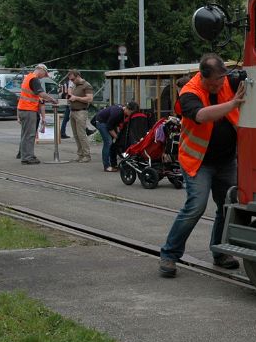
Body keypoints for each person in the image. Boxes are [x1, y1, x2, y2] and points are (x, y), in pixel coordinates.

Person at [158, 54, 245, 278]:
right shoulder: (189, 92)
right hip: (198, 161)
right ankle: (169, 254)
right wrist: (233, 104)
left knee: (227, 206)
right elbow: (201, 115)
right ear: (204, 77)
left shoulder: (227, 81)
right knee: (196, 206)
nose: (219, 85)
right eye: (214, 83)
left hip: (226, 160)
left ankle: (220, 253)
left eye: (221, 80)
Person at [16, 64, 57, 165]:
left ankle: (26, 155)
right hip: (29, 110)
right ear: (41, 70)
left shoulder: (28, 77)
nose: (44, 76)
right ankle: (27, 157)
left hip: (23, 109)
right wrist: (52, 99)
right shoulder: (34, 79)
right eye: (44, 74)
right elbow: (41, 93)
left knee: (25, 134)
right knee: (29, 135)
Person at [94, 101, 139, 172]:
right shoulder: (117, 113)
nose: (131, 115)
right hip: (101, 122)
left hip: (109, 122)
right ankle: (106, 166)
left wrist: (118, 133)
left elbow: (117, 124)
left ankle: (113, 164)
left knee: (114, 143)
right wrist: (116, 136)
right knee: (108, 142)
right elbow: (109, 127)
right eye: (132, 113)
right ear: (128, 109)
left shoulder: (123, 112)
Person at [65, 69, 94, 163]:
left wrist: (76, 98)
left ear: (78, 76)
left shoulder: (86, 85)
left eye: (73, 79)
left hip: (81, 112)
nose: (72, 81)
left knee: (81, 135)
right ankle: (80, 154)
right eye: (70, 80)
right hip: (73, 111)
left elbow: (90, 99)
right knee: (76, 135)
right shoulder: (75, 85)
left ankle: (86, 155)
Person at [59, 74, 73, 139]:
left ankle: (62, 132)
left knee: (66, 118)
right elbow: (68, 93)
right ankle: (62, 133)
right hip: (70, 102)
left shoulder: (66, 83)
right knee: (76, 116)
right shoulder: (70, 83)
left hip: (68, 102)